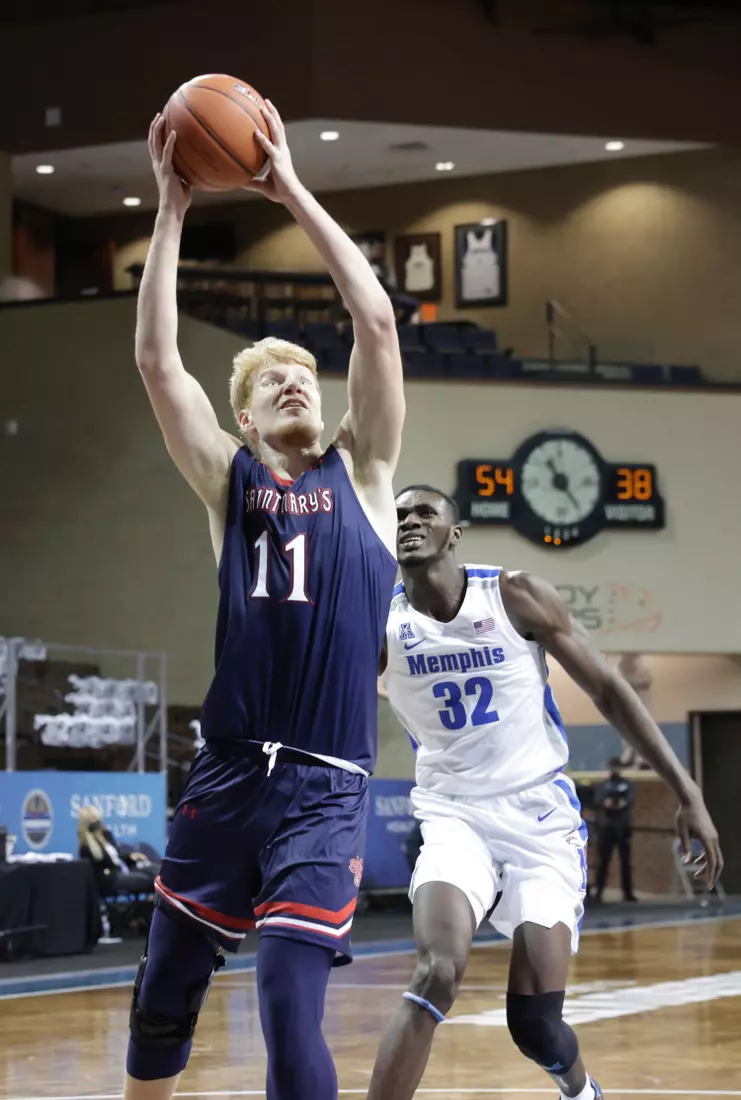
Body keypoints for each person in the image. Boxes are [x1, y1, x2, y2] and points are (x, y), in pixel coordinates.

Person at [124, 102, 403, 1100]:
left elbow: (373, 318)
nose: (292, 380)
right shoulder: (231, 484)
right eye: (270, 377)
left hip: (325, 784)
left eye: (301, 373)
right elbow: (159, 363)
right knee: (164, 994)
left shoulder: (366, 476)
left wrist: (287, 187)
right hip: (231, 770)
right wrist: (171, 206)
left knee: (290, 1000)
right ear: (242, 417)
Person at [371, 485, 722, 1100]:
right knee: (435, 971)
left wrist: (686, 789)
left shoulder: (514, 595)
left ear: (455, 534)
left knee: (534, 1027)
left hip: (539, 817)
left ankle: (579, 1089)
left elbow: (609, 689)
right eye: (399, 514)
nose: (410, 521)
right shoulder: (380, 625)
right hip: (454, 816)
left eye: (426, 512)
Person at [78, 806, 158, 898]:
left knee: (154, 871)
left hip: (122, 870)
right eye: (92, 820)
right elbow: (99, 869)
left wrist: (130, 856)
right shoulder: (86, 846)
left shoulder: (106, 835)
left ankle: (155, 902)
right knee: (146, 880)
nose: (97, 822)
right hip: (110, 879)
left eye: (97, 818)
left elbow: (116, 857)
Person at [594, 757, 637, 903]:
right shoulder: (604, 785)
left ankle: (628, 893)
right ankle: (598, 892)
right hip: (607, 827)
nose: (615, 770)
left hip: (623, 827)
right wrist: (609, 803)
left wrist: (620, 803)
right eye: (613, 767)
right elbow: (599, 800)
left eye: (618, 767)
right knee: (603, 861)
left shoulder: (627, 785)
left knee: (625, 861)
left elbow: (629, 800)